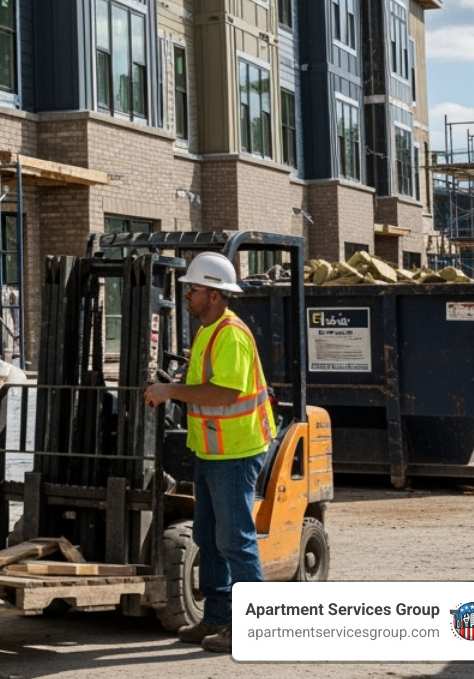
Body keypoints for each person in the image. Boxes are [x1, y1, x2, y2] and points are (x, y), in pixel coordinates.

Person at [144, 251, 277, 656]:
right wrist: (172, 384)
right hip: (212, 450)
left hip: (236, 451)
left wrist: (172, 391)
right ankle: (218, 617)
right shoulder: (206, 330)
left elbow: (225, 393)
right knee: (207, 537)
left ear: (215, 295)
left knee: (235, 541)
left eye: (193, 290)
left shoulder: (230, 334)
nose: (186, 296)